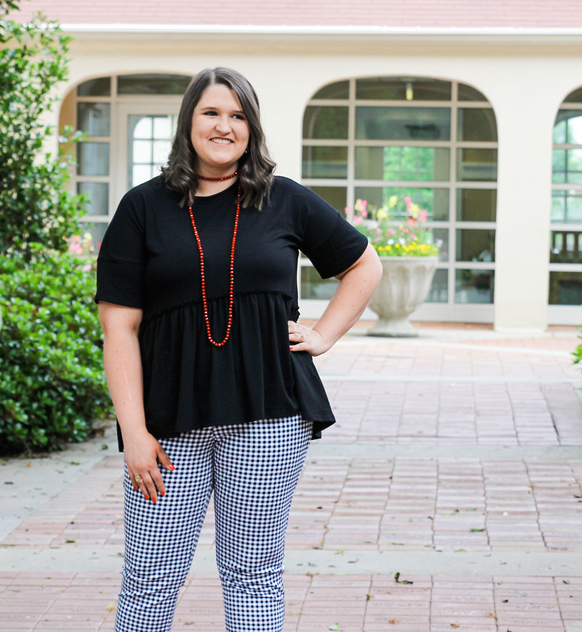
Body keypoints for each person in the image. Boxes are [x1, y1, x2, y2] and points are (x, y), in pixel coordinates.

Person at [95, 67, 382, 631]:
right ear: (188, 122)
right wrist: (134, 434)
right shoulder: (142, 208)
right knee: (149, 577)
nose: (224, 126)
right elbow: (119, 331)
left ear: (251, 128)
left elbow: (364, 264)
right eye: (211, 113)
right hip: (169, 422)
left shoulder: (285, 202)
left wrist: (323, 334)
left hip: (268, 415)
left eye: (238, 115)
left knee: (253, 573)